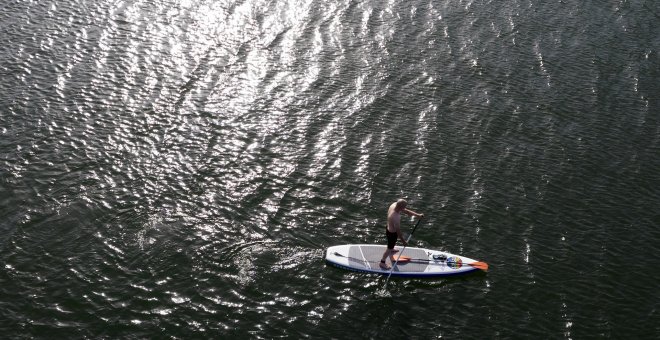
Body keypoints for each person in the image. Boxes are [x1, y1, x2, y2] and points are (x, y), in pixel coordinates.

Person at [379, 199, 424, 270]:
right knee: (389, 248)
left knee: (391, 245)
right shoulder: (395, 217)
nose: (405, 208)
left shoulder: (394, 205)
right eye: (404, 207)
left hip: (388, 228)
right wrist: (404, 242)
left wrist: (417, 215)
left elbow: (406, 211)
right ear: (400, 207)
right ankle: (382, 262)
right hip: (392, 233)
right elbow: (398, 232)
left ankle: (392, 248)